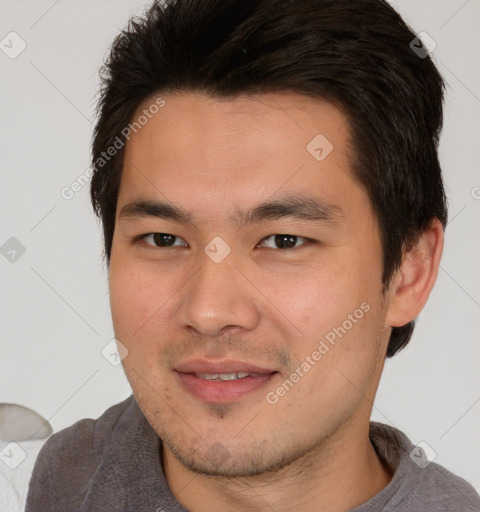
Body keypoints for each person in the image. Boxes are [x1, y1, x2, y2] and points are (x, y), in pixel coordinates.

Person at [25, 0, 480, 510]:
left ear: (408, 271)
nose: (209, 312)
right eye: (163, 239)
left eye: (284, 241)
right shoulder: (72, 473)